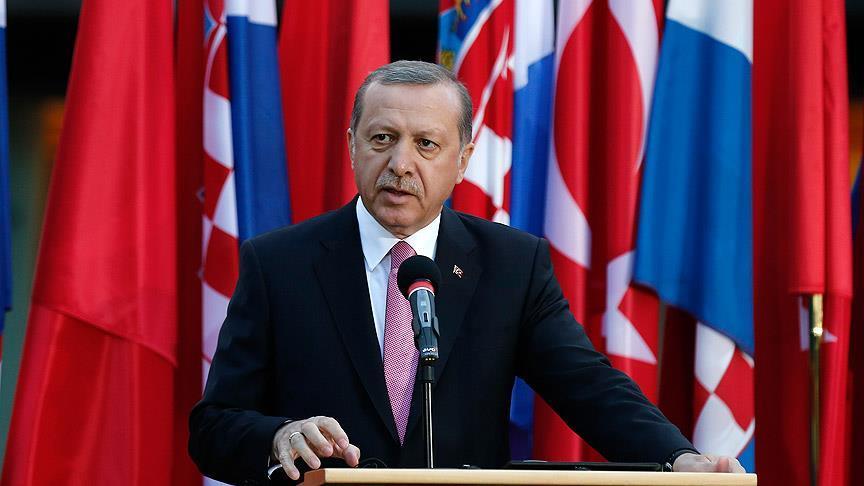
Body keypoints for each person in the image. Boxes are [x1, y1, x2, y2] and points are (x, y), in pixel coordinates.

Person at [188, 60, 744, 485]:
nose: (400, 163)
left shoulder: (512, 265)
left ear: (463, 160)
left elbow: (589, 387)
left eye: (426, 144)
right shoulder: (279, 263)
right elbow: (213, 426)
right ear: (351, 146)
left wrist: (679, 457)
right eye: (382, 138)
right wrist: (279, 437)